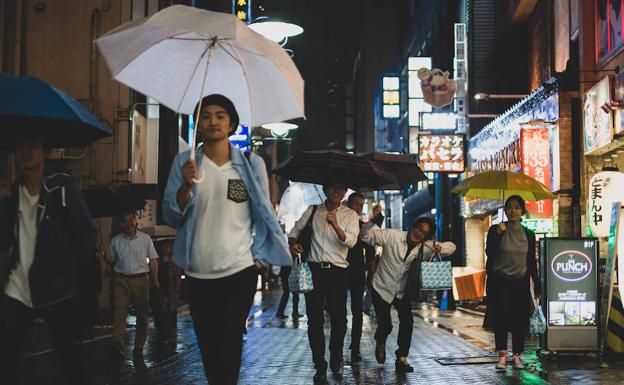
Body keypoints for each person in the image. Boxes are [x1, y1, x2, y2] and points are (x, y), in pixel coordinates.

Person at [162, 94, 291, 385]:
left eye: (220, 115)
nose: (213, 121)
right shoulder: (186, 162)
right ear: (199, 123)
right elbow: (171, 214)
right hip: (197, 273)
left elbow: (263, 211)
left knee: (231, 343)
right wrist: (185, 184)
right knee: (209, 348)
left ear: (231, 123)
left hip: (239, 270)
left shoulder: (250, 163)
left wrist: (258, 258)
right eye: (206, 115)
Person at [0, 134, 97, 385]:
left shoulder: (61, 187)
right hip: (18, 289)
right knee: (7, 359)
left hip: (58, 290)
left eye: (32, 145)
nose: (26, 152)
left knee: (71, 361)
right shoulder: (12, 193)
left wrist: (67, 266)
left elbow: (87, 233)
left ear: (46, 151)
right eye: (20, 147)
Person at [360, 216, 456, 372]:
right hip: (382, 287)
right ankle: (380, 341)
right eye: (419, 228)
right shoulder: (393, 235)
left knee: (408, 322)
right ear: (413, 226)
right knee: (385, 325)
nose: (419, 233)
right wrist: (371, 223)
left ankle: (402, 358)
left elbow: (452, 247)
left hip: (402, 291)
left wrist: (440, 248)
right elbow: (366, 236)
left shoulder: (425, 248)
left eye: (424, 233)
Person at [288, 175, 360, 383]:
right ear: (326, 190)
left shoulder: (349, 215)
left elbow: (352, 242)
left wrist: (336, 225)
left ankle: (336, 354)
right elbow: (294, 231)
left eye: (342, 188)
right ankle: (319, 363)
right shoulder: (312, 210)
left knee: (340, 319)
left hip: (338, 272)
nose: (338, 191)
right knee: (314, 321)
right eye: (334, 188)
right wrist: (294, 244)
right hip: (314, 271)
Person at [485, 195, 540, 370]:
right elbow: (490, 253)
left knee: (519, 322)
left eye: (517, 207)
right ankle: (502, 356)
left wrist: (537, 284)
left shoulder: (529, 234)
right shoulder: (496, 230)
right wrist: (497, 235)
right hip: (499, 283)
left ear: (522, 211)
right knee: (501, 320)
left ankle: (517, 356)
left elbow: (531, 260)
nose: (513, 210)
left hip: (520, 283)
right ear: (505, 210)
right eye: (509, 207)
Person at [103, 211, 160, 357]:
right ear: (121, 224)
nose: (127, 223)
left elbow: (153, 260)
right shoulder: (116, 241)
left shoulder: (145, 239)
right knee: (119, 312)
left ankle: (139, 345)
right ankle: (118, 343)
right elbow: (111, 261)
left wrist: (155, 279)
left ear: (135, 222)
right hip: (121, 280)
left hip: (141, 280)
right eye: (124, 221)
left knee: (142, 315)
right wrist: (104, 254)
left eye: (130, 220)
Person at [344, 192, 381, 362]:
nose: (358, 207)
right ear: (347, 204)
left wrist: (372, 275)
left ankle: (355, 347)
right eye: (355, 204)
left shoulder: (363, 226)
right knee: (339, 311)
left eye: (361, 205)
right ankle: (339, 344)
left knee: (357, 312)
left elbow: (371, 252)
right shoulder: (339, 223)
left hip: (358, 272)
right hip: (339, 272)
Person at [151, 239, 181, 340]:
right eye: (163, 247)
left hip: (170, 290)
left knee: (171, 312)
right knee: (160, 312)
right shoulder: (157, 261)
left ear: (170, 248)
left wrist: (177, 289)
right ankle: (162, 333)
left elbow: (177, 276)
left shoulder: (174, 262)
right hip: (160, 289)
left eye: (167, 247)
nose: (165, 249)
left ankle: (171, 335)